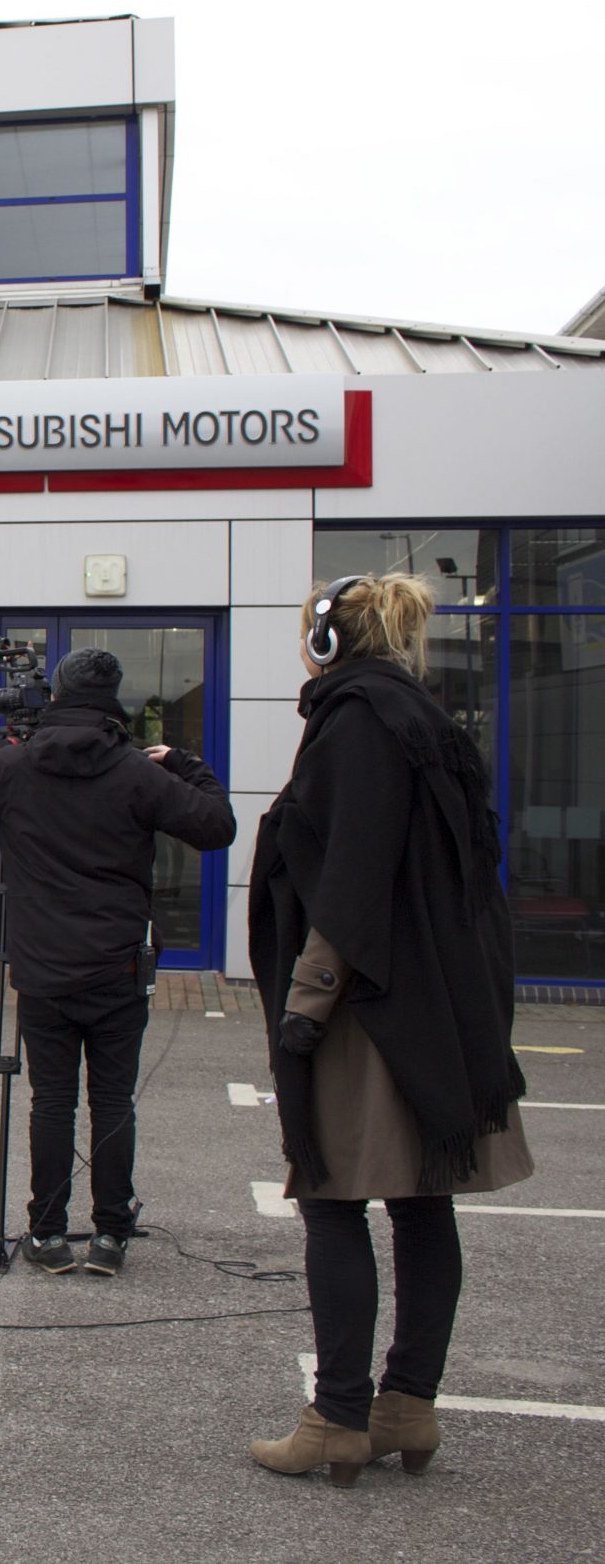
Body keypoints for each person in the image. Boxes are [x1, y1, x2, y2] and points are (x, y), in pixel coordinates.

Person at [246, 574, 533, 1487]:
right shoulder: (426, 722)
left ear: (326, 644)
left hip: (366, 1007)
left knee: (331, 1202)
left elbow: (353, 872)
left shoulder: (357, 723)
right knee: (421, 1199)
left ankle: (337, 1418)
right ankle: (408, 1406)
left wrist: (307, 999)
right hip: (436, 1002)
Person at [0, 648, 235, 1276]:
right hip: (118, 966)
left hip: (42, 967)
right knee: (113, 1100)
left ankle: (46, 1233)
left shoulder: (14, 766)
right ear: (113, 698)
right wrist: (184, 763)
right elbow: (216, 826)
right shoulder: (135, 772)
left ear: (57, 695)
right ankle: (112, 1234)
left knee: (52, 1100)